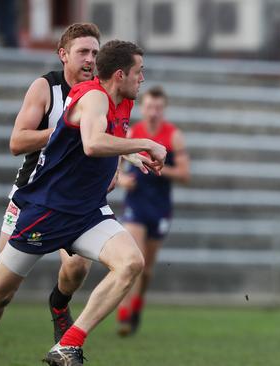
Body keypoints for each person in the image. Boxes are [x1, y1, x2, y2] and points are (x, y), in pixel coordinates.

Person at [0, 39, 167, 365]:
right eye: (138, 72)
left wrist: (130, 153)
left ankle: (67, 344)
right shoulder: (95, 96)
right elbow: (92, 143)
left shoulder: (121, 100)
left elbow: (107, 138)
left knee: (130, 263)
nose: (142, 79)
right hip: (48, 210)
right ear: (120, 74)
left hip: (87, 212)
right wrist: (147, 143)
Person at [0, 22, 100, 344]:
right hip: (31, 196)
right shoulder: (45, 88)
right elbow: (17, 142)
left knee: (78, 267)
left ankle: (59, 305)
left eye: (95, 52)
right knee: (0, 294)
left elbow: (111, 138)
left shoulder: (99, 93)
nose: (90, 59)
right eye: (83, 51)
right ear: (63, 55)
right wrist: (64, 131)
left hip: (73, 202)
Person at [116, 85, 190, 336]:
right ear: (142, 108)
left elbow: (184, 174)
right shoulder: (133, 133)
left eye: (158, 108)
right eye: (149, 107)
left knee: (146, 269)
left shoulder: (173, 136)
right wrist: (121, 179)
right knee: (134, 260)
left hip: (159, 208)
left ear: (164, 109)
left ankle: (138, 303)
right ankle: (125, 314)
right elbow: (115, 162)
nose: (153, 112)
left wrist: (160, 167)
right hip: (135, 204)